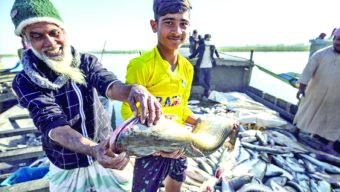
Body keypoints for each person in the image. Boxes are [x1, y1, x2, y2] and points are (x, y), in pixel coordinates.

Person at [10, 0, 161, 191]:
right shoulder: (24, 80)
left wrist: (132, 90)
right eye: (37, 36)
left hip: (108, 151)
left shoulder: (86, 62)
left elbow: (110, 85)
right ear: (26, 40)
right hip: (65, 164)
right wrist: (93, 149)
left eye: (54, 33)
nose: (50, 42)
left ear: (63, 32)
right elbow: (53, 125)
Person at [121, 0, 198, 191]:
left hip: (179, 144)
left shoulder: (187, 68)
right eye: (169, 22)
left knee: (176, 182)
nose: (177, 31)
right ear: (154, 26)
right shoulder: (141, 65)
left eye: (183, 24)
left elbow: (181, 107)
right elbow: (127, 113)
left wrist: (198, 121)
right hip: (151, 150)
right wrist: (156, 145)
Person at [293, 27, 340, 154]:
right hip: (315, 92)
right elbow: (307, 71)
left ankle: (330, 144)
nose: (339, 43)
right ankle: (296, 131)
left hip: (337, 98)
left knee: (335, 120)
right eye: (337, 39)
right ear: (333, 39)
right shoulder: (320, 54)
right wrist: (301, 87)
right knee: (305, 112)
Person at [189, 33, 220, 100]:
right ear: (204, 39)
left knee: (208, 82)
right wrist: (189, 57)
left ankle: (205, 96)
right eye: (207, 39)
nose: (208, 40)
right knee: (201, 81)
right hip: (201, 66)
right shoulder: (201, 46)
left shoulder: (213, 46)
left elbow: (216, 53)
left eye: (209, 39)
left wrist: (218, 57)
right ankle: (209, 90)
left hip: (209, 66)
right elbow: (195, 53)